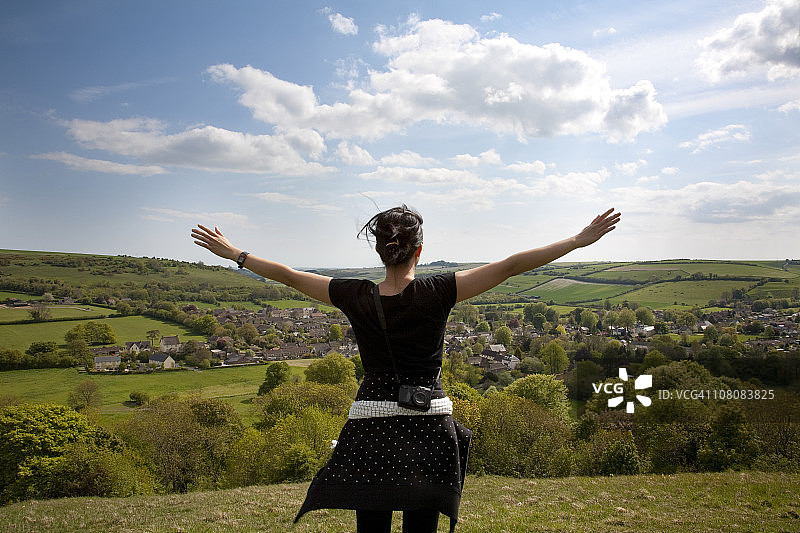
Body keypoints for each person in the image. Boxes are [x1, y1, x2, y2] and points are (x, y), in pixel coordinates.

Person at [191, 205, 620, 532]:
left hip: (369, 426)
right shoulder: (439, 290)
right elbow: (510, 266)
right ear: (419, 250)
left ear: (381, 250)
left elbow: (287, 276)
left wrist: (236, 254)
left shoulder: (354, 294)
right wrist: (577, 241)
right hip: (428, 424)